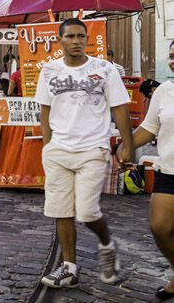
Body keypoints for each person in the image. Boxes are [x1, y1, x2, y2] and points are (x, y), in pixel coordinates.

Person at [34, 18, 133, 289]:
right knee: (61, 211)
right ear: (60, 40)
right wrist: (48, 145)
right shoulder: (49, 71)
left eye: (81, 36)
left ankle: (106, 244)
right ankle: (69, 268)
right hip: (58, 151)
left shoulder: (104, 69)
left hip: (93, 149)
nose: (76, 41)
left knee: (88, 212)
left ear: (86, 38)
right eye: (70, 36)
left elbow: (120, 107)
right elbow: (45, 109)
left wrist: (128, 145)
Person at [131, 40, 174, 301]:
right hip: (169, 169)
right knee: (160, 227)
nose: (173, 60)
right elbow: (150, 128)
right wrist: (126, 145)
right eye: (171, 55)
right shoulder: (165, 90)